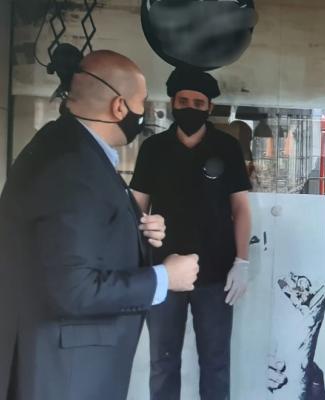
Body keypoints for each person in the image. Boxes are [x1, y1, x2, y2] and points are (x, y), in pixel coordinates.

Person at [0, 50, 199, 400]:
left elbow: (72, 242)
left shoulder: (68, 147)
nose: (142, 113)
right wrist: (165, 278)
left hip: (67, 365)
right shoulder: (71, 166)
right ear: (120, 107)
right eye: (141, 103)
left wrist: (134, 229)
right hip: (66, 376)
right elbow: (73, 289)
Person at [130, 68, 252, 400]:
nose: (190, 108)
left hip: (216, 273)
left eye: (198, 103)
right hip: (163, 272)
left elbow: (241, 208)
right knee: (162, 362)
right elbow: (136, 208)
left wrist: (242, 261)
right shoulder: (153, 148)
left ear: (209, 107)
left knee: (215, 362)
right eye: (183, 101)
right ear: (173, 102)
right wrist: (134, 260)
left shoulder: (227, 147)